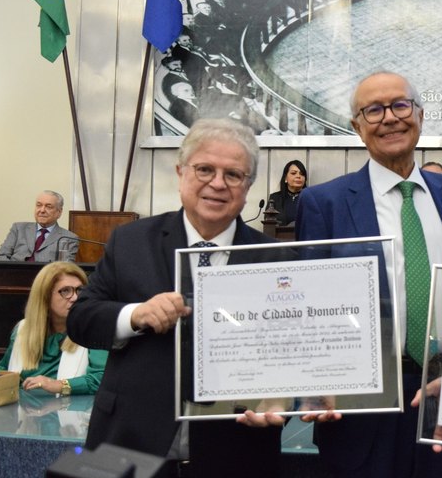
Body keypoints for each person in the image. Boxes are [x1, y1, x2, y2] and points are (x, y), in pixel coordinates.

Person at [66, 119, 290, 478]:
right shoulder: (130, 241)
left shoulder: (278, 258)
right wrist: (136, 314)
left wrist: (284, 398)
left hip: (237, 453)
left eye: (233, 174)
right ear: (181, 172)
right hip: (130, 447)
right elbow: (80, 319)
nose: (217, 183)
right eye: (204, 169)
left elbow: (295, 350)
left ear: (248, 186)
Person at [295, 71, 442, 478]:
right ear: (357, 127)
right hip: (359, 412)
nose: (389, 118)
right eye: (373, 110)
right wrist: (312, 385)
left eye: (399, 105)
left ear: (420, 115)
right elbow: (308, 304)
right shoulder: (324, 203)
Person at [0, 262, 107, 395]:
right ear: (45, 297)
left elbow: (102, 379)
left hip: (70, 411)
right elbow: (4, 368)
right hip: (24, 412)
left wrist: (59, 385)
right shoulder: (23, 329)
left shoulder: (94, 329)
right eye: (65, 291)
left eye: (80, 290)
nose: (75, 298)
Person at [0, 191, 78, 262]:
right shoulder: (19, 229)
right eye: (39, 205)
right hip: (13, 277)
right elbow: (0, 256)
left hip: (47, 279)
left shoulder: (68, 238)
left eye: (48, 207)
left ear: (59, 212)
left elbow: (64, 267)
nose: (42, 210)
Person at [267, 159, 308, 225]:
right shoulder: (274, 198)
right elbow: (269, 225)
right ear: (285, 178)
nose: (298, 176)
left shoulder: (311, 199)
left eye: (302, 174)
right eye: (293, 173)